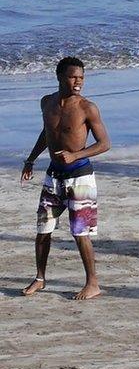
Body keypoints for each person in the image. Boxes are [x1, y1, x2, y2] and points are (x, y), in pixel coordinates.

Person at [20, 56, 110, 300]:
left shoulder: (87, 108)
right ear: (60, 77)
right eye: (73, 77)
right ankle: (40, 278)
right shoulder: (47, 103)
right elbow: (47, 133)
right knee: (43, 229)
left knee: (80, 232)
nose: (78, 82)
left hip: (80, 176)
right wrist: (30, 160)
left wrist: (75, 155)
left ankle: (93, 284)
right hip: (53, 176)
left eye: (81, 77)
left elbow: (104, 144)